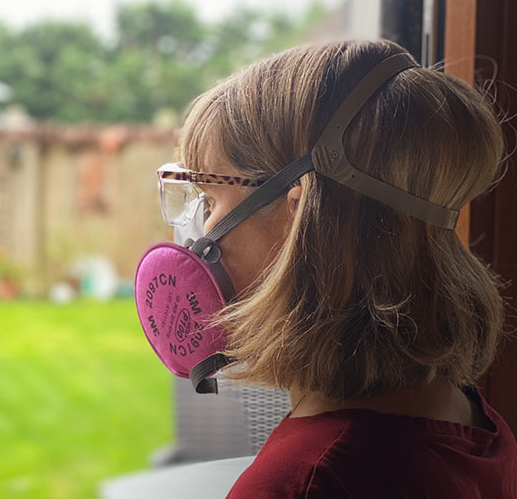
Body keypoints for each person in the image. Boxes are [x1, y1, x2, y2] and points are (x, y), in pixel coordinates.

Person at [137, 40, 517, 497]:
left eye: (212, 199)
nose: (197, 230)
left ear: (297, 214)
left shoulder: (304, 481)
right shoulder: (466, 419)